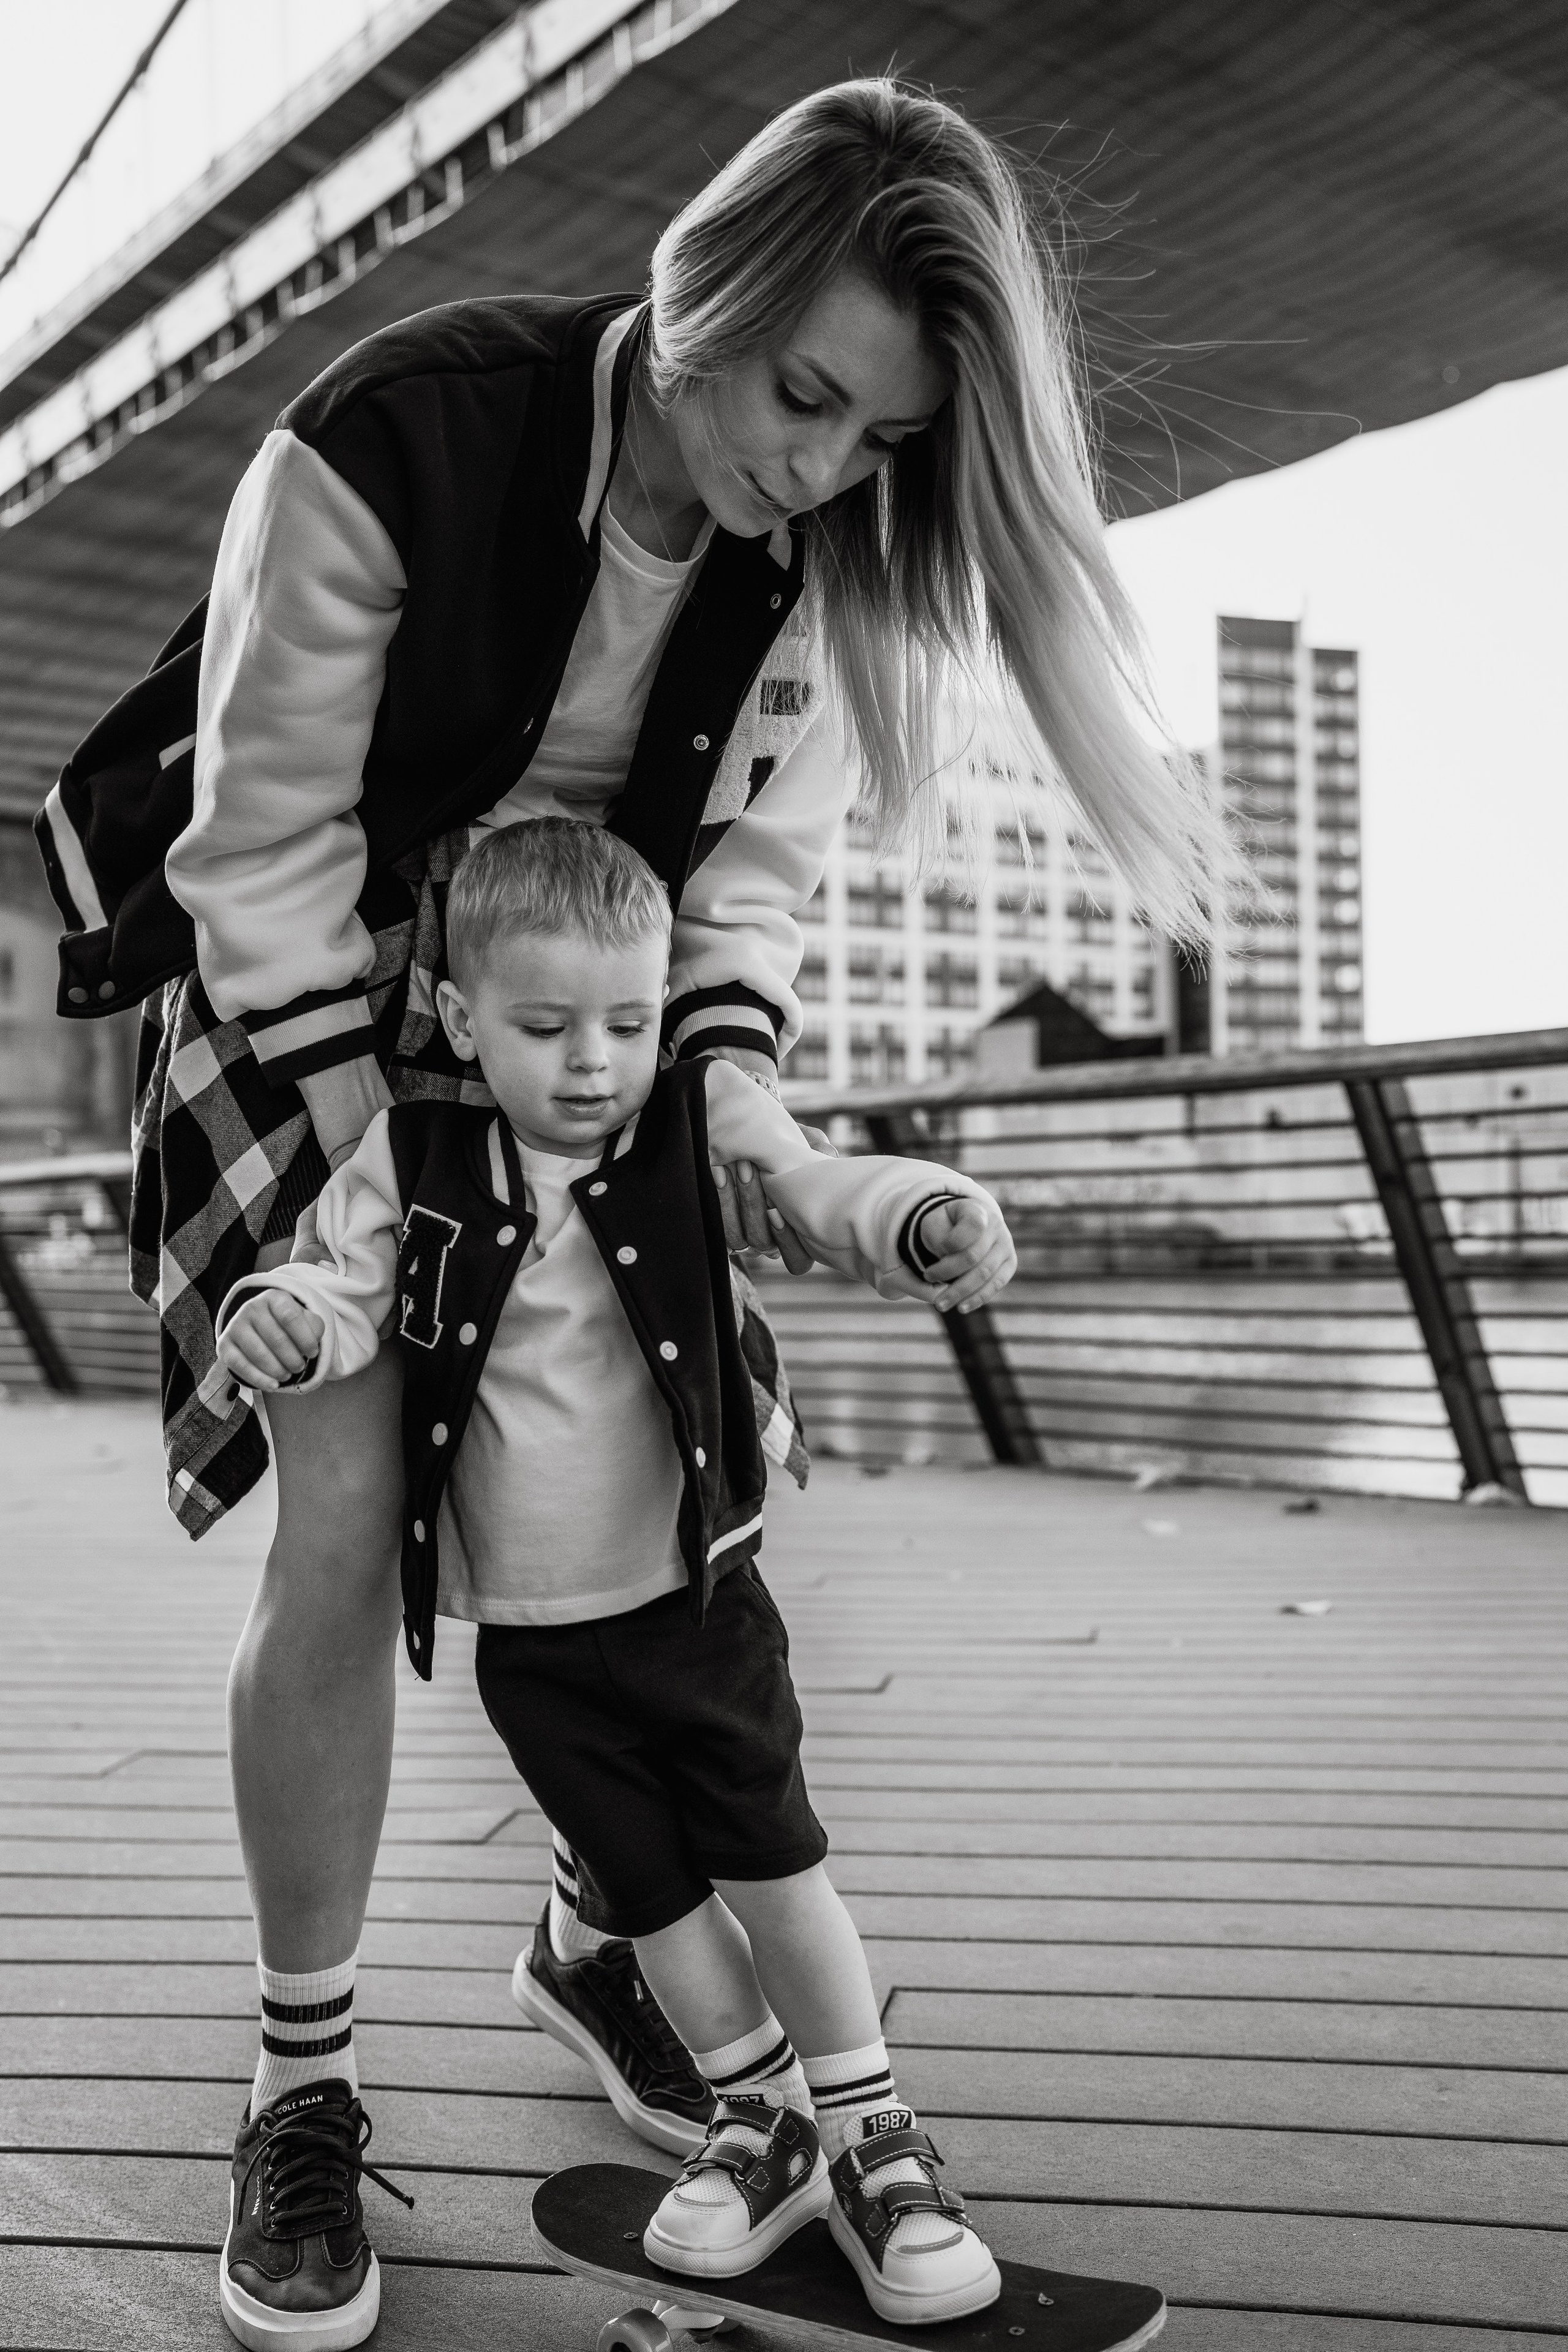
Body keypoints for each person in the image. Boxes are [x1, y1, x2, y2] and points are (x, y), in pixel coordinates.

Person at [134, 71, 1223, 2350]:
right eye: (804, 394)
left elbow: (735, 923)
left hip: (596, 1035)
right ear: (704, 280)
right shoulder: (384, 437)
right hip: (314, 995)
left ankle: (590, 1922)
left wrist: (754, 1150)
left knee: (674, 1468)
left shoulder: (828, 564)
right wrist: (393, 1188)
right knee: (349, 1509)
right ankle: (302, 2090)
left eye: (875, 439)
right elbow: (257, 862)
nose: (817, 469)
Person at [216, 821, 1017, 2333]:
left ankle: (873, 2137)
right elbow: (335, 1280)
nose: (594, 1062)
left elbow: (816, 1180)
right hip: (531, 1647)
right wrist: (278, 1313)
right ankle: (758, 2122)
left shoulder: (691, 1121)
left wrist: (919, 1214)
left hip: (691, 1608)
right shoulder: (414, 1157)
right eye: (543, 1026)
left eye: (630, 1022)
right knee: (650, 1902)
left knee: (772, 1866)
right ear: (459, 1020)